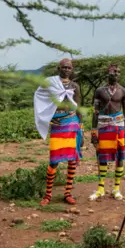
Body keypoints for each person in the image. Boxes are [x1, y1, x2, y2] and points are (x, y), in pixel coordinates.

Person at [34, 58, 84, 206]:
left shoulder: (75, 86)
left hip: (71, 123)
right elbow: (40, 100)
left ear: (72, 70)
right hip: (57, 124)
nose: (67, 70)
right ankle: (48, 194)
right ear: (58, 68)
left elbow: (78, 108)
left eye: (69, 68)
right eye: (64, 67)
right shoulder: (51, 84)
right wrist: (48, 120)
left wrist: (82, 130)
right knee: (54, 161)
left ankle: (67, 193)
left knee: (72, 160)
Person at [89, 64, 125, 201]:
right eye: (113, 71)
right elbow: (95, 112)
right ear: (108, 73)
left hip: (119, 126)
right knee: (102, 156)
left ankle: (116, 189)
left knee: (120, 157)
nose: (116, 74)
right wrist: (94, 132)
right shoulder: (99, 91)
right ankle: (101, 189)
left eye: (118, 72)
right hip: (103, 125)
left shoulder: (123, 91)